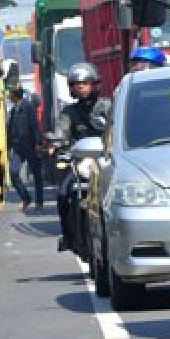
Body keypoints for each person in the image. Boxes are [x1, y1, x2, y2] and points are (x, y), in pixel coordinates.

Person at [53, 61, 112, 250]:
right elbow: (61, 132)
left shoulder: (107, 106)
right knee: (63, 194)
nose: (81, 87)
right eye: (77, 85)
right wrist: (56, 144)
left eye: (85, 83)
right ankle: (68, 237)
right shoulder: (69, 112)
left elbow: (116, 127)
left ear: (95, 84)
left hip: (105, 160)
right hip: (79, 163)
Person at [6, 86, 43, 211]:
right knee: (13, 172)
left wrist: (38, 143)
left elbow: (34, 125)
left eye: (10, 93)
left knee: (37, 174)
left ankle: (39, 201)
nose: (8, 96)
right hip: (17, 147)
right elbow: (10, 130)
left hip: (31, 146)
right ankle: (25, 197)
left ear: (15, 95)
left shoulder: (28, 107)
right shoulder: (13, 110)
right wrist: (8, 146)